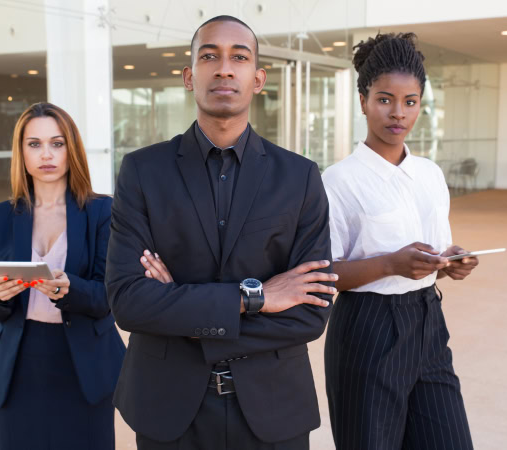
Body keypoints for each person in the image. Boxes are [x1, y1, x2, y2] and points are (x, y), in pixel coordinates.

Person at [106, 15, 336, 450]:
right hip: (167, 408)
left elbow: (311, 310)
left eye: (239, 57)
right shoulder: (142, 171)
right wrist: (258, 298)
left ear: (258, 78)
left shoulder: (300, 176)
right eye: (209, 56)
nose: (224, 68)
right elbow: (129, 302)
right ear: (190, 77)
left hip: (273, 410)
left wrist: (181, 310)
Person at [322, 32, 477, 450]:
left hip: (428, 322)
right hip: (367, 330)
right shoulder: (337, 182)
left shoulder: (429, 174)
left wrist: (454, 260)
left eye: (410, 102)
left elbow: (436, 248)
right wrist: (390, 264)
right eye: (385, 99)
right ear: (363, 101)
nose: (398, 113)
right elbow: (322, 274)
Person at [0, 102, 125, 450]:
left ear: (71, 149)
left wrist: (70, 290)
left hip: (85, 365)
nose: (46, 154)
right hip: (18, 366)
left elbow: (110, 297)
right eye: (34, 144)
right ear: (21, 152)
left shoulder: (103, 211)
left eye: (57, 143)